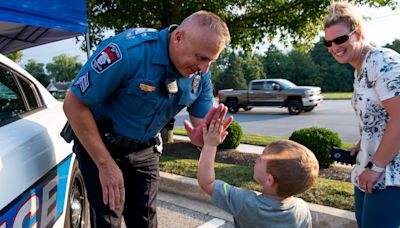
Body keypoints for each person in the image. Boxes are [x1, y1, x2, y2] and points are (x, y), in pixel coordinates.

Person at [63, 11, 233, 228]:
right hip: (101, 145)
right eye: (201, 58)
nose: (204, 68)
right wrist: (105, 165)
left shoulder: (200, 75)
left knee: (145, 221)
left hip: (145, 149)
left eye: (211, 60)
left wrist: (204, 140)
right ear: (179, 37)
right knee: (107, 221)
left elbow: (200, 125)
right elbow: (73, 104)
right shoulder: (127, 52)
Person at [323, 2, 400, 227]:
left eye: (340, 39)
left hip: (390, 174)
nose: (334, 47)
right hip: (369, 168)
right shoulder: (360, 69)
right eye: (328, 42)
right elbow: (380, 118)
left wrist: (375, 167)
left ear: (359, 33)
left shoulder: (382, 61)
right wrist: (361, 143)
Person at [197, 119, 319, 228]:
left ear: (269, 180)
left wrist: (210, 145)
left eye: (261, 158)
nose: (256, 160)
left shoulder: (245, 202)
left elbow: (207, 183)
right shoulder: (302, 209)